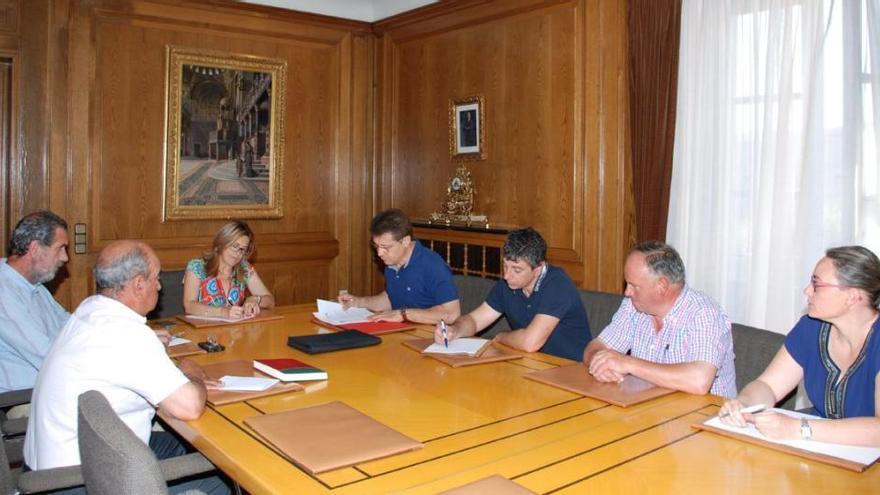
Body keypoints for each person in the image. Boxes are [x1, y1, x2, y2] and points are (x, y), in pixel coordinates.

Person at [23, 241, 228, 493]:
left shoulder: (89, 310)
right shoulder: (127, 335)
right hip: (78, 480)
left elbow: (123, 361)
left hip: (55, 463)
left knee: (188, 445)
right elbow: (190, 406)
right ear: (139, 284)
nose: (160, 286)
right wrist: (191, 371)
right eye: (156, 278)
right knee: (225, 475)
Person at [719, 246, 880, 447]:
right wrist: (743, 404)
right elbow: (768, 385)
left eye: (816, 284)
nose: (807, 291)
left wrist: (798, 428)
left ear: (853, 296)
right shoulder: (811, 327)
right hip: (819, 449)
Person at [583, 241, 736, 397]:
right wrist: (601, 364)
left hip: (701, 415)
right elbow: (596, 346)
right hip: (647, 407)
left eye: (634, 286)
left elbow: (699, 381)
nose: (627, 292)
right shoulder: (633, 306)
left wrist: (628, 363)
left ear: (662, 286)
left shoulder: (704, 314)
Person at [433, 227, 591, 361]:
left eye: (517, 270)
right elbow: (474, 320)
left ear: (538, 269)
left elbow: (530, 343)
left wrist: (501, 337)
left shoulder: (558, 284)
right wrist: (455, 330)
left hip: (568, 368)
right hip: (530, 364)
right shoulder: (508, 285)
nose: (507, 275)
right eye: (505, 266)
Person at [339, 209, 460, 324]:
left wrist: (403, 314)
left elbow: (451, 314)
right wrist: (358, 302)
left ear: (406, 241)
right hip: (403, 331)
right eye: (376, 246)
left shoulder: (433, 266)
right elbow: (390, 298)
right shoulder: (392, 261)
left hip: (431, 336)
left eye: (385, 247)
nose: (379, 253)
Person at [0, 210, 70, 393]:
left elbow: (70, 324)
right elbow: (45, 354)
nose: (65, 257)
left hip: (50, 385)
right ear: (35, 249)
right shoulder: (4, 293)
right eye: (60, 248)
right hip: (23, 398)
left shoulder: (34, 285)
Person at [183, 221, 274, 319]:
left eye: (242, 249)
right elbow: (189, 306)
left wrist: (255, 299)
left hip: (234, 330)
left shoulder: (244, 268)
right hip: (203, 330)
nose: (237, 253)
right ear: (221, 243)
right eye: (235, 246)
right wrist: (222, 312)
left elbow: (270, 301)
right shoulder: (197, 267)